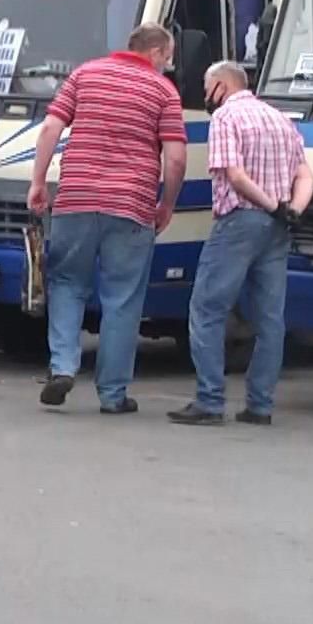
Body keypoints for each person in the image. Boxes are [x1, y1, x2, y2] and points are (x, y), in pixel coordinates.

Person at [27, 24, 188, 413]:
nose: (169, 63)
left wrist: (38, 182)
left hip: (76, 198)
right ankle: (113, 394)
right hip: (131, 205)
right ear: (155, 53)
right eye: (168, 56)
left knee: (66, 283)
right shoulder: (163, 91)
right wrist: (166, 203)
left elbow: (50, 127)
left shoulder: (85, 73)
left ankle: (63, 365)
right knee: (123, 298)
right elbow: (177, 156)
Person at [169, 62, 313, 427]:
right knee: (270, 319)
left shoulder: (226, 119)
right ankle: (260, 405)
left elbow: (234, 175)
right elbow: (305, 174)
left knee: (207, 308)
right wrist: (291, 210)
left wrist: (267, 204)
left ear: (219, 85)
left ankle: (209, 400)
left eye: (206, 89)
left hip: (240, 220)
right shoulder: (280, 119)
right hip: (279, 227)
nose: (205, 97)